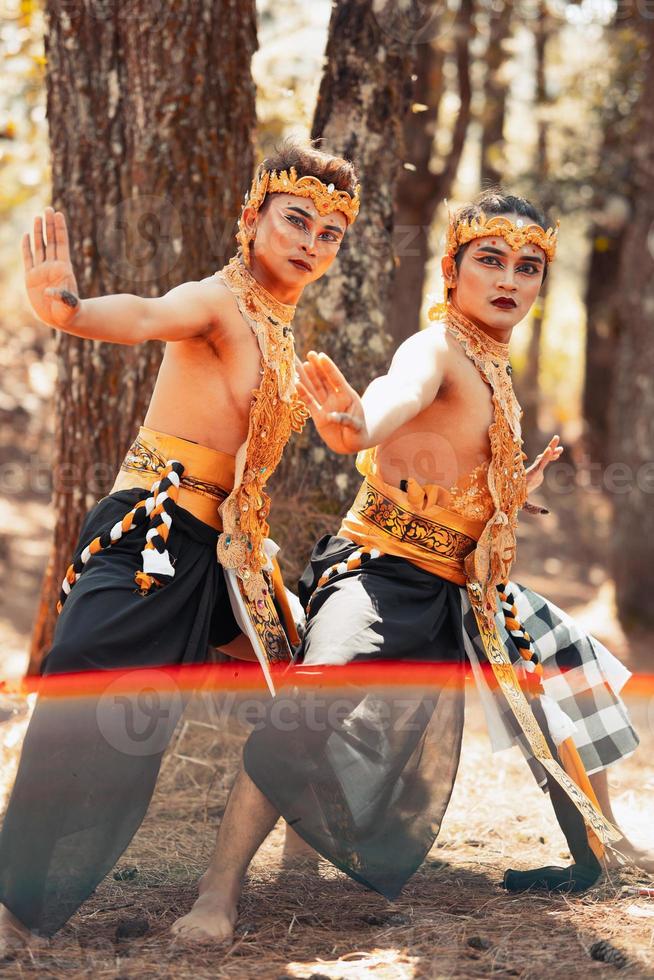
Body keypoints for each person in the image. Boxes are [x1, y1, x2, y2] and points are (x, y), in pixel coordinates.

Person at [171, 191, 642, 945]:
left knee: (572, 667)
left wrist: (508, 494)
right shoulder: (436, 348)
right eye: (490, 260)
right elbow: (394, 400)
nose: (510, 279)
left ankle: (601, 847)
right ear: (452, 272)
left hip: (466, 587)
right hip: (382, 573)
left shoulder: (494, 361)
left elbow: (459, 462)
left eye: (528, 267)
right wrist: (356, 422)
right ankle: (216, 890)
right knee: (316, 697)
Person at [0, 139, 361, 951]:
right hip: (151, 539)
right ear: (252, 218)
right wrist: (69, 312)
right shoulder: (218, 301)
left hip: (227, 558)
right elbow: (146, 314)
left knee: (310, 689)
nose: (310, 242)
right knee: (75, 696)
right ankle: (14, 902)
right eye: (296, 219)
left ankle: (228, 886)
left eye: (330, 232)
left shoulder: (281, 334)